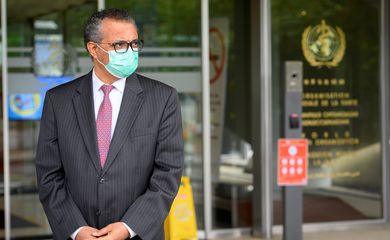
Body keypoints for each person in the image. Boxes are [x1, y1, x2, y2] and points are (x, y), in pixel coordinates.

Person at [35, 8, 184, 240]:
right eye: (120, 45)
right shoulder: (59, 100)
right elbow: (49, 174)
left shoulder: (162, 98)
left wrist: (128, 227)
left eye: (135, 43)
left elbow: (168, 173)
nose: (131, 51)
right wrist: (76, 229)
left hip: (138, 235)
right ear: (93, 49)